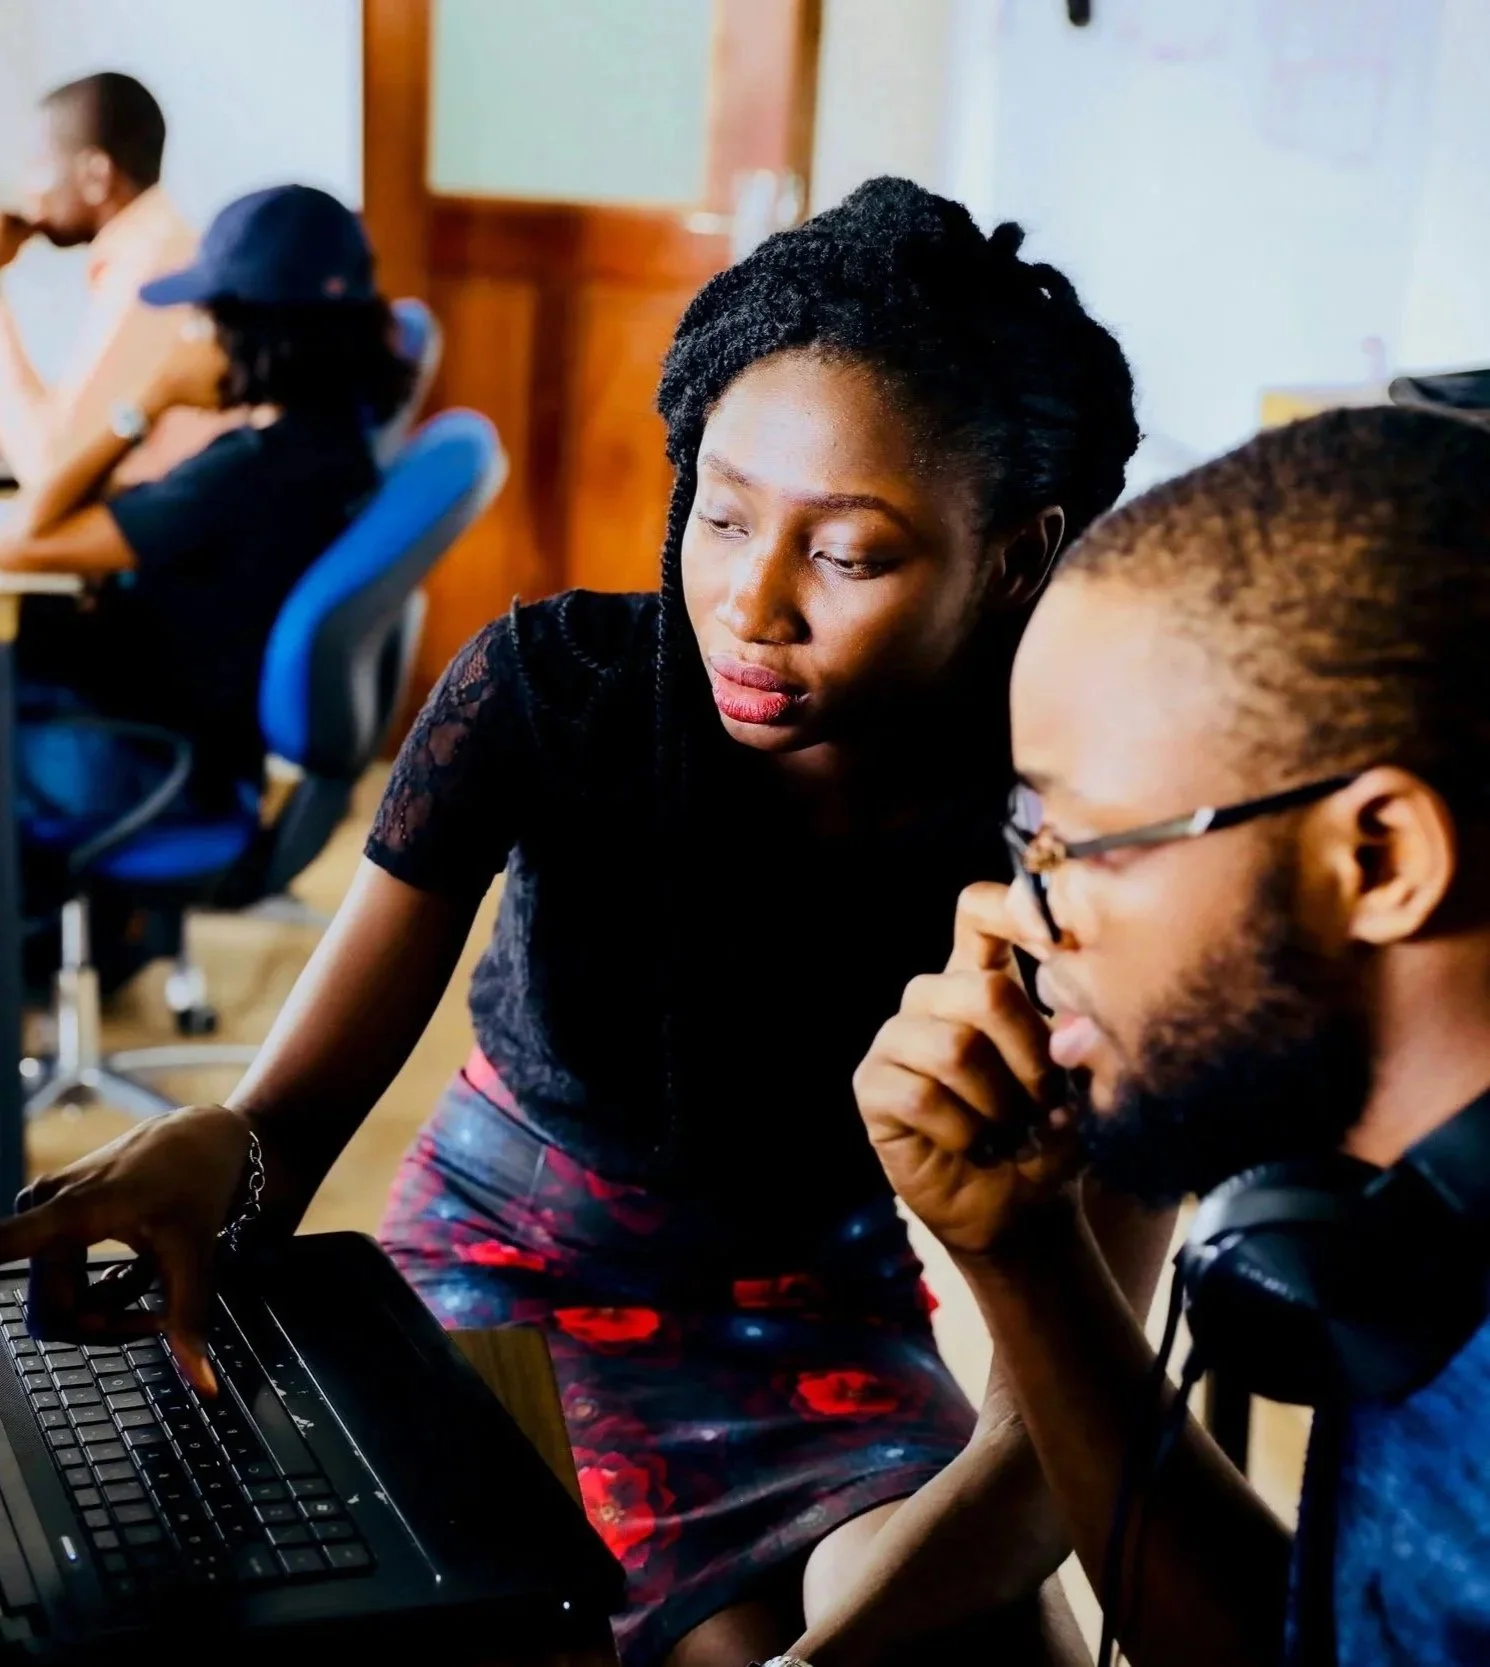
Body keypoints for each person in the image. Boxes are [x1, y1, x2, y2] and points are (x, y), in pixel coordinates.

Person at [0, 180, 1169, 1667]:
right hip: (503, 1275)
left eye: (848, 553)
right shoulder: (550, 694)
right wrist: (212, 1150)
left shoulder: (1083, 846)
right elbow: (284, 1123)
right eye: (723, 512)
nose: (748, 602)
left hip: (815, 1325)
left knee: (990, 1644)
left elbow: (1051, 1440)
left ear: (1013, 553)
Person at [853, 405, 1490, 1666]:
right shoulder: (1396, 1230)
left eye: (1074, 844)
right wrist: (1024, 1254)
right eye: (1020, 833)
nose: (1014, 915)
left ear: (1376, 859)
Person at [1, 183, 411, 826]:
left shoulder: (247, 473)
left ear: (246, 328)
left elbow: (25, 537)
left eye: (202, 316)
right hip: (185, 743)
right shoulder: (331, 444)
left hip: (144, 761)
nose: (190, 334)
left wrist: (148, 401)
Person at [0, 72, 235, 488]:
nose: (25, 190)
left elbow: (52, 468)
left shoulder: (152, 268)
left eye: (38, 165)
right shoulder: (155, 246)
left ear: (96, 175)